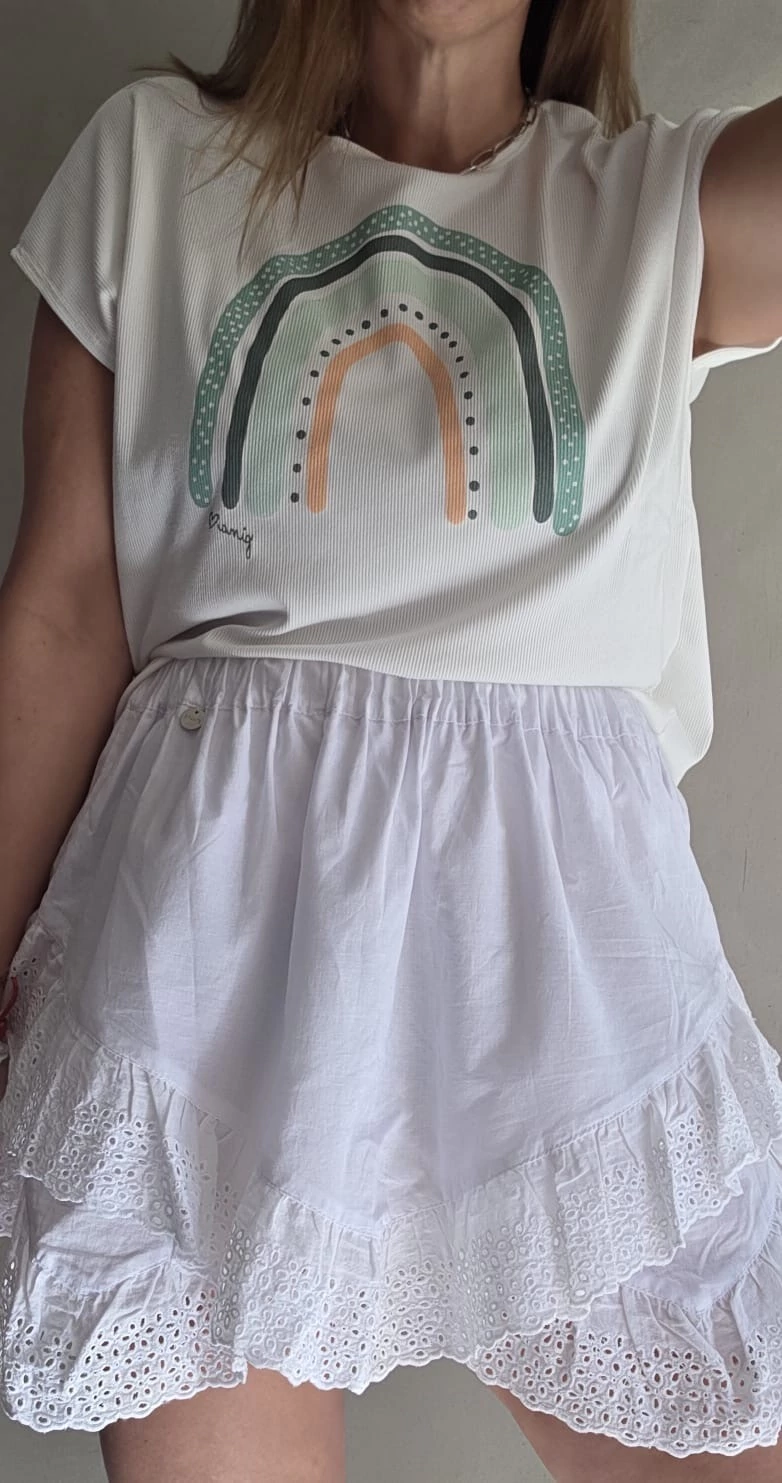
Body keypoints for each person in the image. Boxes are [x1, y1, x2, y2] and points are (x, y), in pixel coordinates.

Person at [1, 0, 781, 1477]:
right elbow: (63, 610)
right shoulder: (153, 164)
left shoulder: (661, 205)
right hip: (204, 959)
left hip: (566, 976)